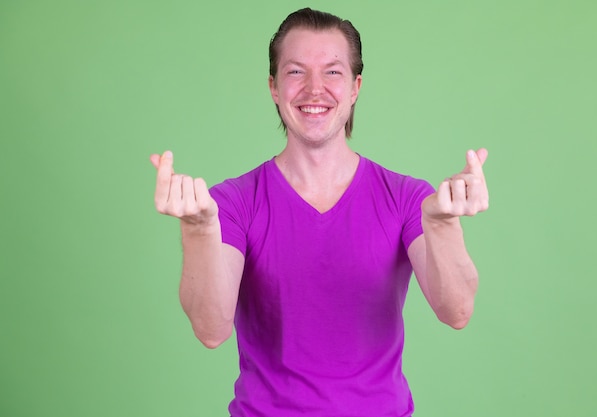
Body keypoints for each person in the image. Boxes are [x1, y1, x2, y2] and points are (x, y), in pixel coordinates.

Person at [150, 7, 489, 417]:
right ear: (274, 87)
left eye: (332, 72)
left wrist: (442, 224)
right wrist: (199, 228)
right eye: (295, 72)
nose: (314, 89)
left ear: (355, 86)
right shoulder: (232, 203)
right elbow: (210, 330)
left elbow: (456, 311)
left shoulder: (408, 198)